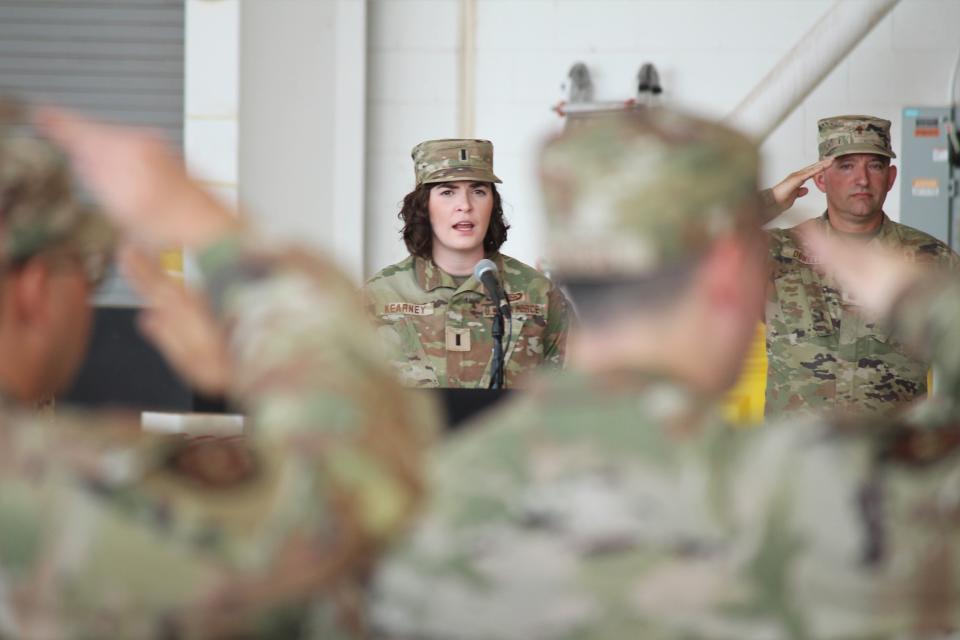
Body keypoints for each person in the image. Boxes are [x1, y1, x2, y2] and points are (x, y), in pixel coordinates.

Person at [370, 109, 960, 638]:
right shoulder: (823, 502)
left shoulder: (420, 505)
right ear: (732, 277)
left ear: (565, 271)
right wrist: (927, 302)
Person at [0, 104, 435, 638]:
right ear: (35, 290)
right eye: (85, 269)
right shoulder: (50, 488)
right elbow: (346, 502)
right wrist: (211, 230)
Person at [763, 115, 959, 418]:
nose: (862, 179)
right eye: (846, 165)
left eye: (875, 165)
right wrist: (770, 202)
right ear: (820, 179)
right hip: (797, 461)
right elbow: (683, 250)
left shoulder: (933, 258)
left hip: (896, 458)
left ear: (891, 177)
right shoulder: (778, 251)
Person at [362, 138, 570, 388]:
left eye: (478, 191)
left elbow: (572, 398)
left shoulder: (538, 295)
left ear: (493, 204)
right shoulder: (378, 297)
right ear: (424, 205)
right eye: (448, 192)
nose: (465, 206)